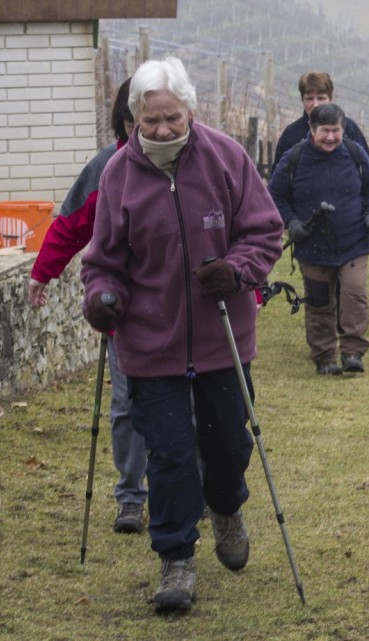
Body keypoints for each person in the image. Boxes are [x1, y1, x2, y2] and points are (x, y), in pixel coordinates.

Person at [80, 57, 283, 615]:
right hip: (150, 343)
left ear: (191, 110)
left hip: (222, 336)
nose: (163, 130)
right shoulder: (118, 174)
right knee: (168, 455)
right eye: (151, 122)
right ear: (133, 120)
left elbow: (265, 230)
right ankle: (176, 560)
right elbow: (102, 262)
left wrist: (238, 270)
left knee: (228, 446)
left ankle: (225, 505)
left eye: (172, 118)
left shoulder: (225, 156)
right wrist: (102, 297)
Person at [28, 78, 148, 535]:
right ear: (124, 121)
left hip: (178, 311)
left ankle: (181, 487)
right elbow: (71, 224)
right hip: (120, 308)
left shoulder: (190, 166)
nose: (147, 129)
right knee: (126, 402)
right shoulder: (106, 167)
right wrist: (44, 272)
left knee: (184, 403)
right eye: (136, 119)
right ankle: (131, 496)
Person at [268, 103, 369, 375]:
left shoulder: (355, 154)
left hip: (354, 242)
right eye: (324, 131)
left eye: (336, 131)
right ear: (311, 129)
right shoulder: (294, 159)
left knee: (354, 295)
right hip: (313, 245)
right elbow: (274, 196)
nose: (331, 137)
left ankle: (353, 352)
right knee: (319, 302)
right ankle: (324, 357)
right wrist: (292, 222)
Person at [270, 71, 369, 175]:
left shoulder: (350, 128)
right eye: (309, 98)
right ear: (302, 100)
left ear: (330, 99)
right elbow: (278, 179)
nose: (315, 104)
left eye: (321, 98)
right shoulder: (291, 133)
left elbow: (368, 172)